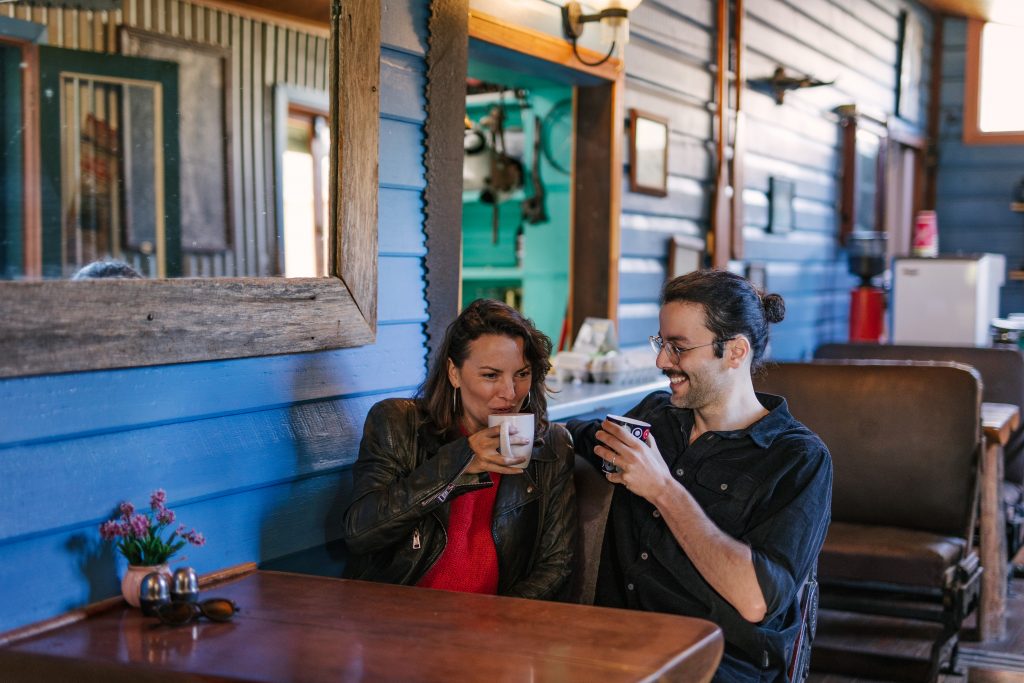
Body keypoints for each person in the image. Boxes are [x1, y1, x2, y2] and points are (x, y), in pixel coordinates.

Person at [567, 270, 832, 681]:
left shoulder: (797, 458)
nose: (661, 361)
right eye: (661, 343)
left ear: (735, 352)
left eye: (678, 347)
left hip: (721, 665)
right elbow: (580, 437)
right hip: (616, 647)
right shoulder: (655, 417)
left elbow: (755, 599)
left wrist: (662, 489)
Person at [342, 298, 576, 599]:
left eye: (522, 374)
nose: (510, 392)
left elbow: (556, 564)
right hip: (400, 616)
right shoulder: (398, 424)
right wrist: (459, 463)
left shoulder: (550, 445)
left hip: (495, 627)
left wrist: (498, 623)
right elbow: (360, 533)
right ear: (454, 372)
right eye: (491, 375)